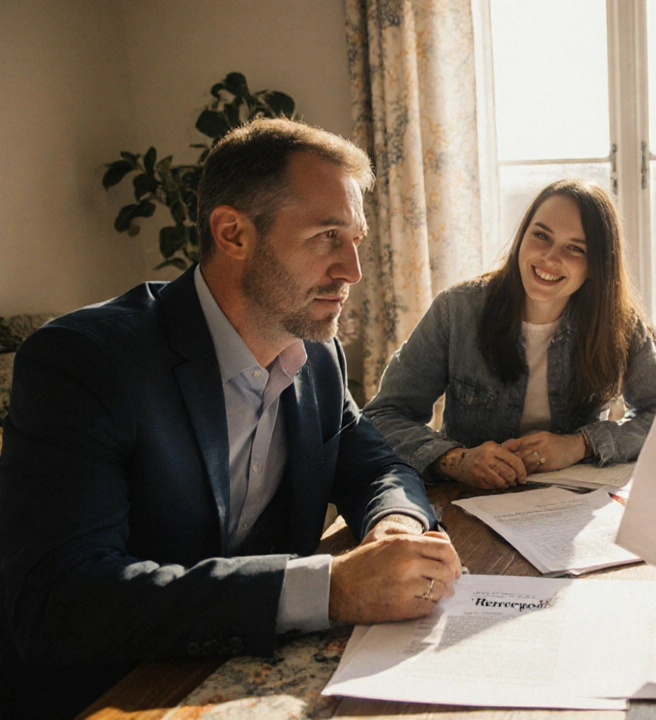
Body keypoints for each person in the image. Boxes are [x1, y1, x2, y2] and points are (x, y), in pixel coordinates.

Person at [0, 118, 462, 719]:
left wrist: (395, 523)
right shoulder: (85, 362)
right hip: (115, 695)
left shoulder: (317, 353)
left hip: (249, 677)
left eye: (356, 239)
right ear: (232, 232)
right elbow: (59, 603)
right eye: (326, 236)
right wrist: (332, 587)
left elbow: (371, 462)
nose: (352, 270)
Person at [365, 178, 656, 490]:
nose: (551, 258)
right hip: (466, 501)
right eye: (541, 236)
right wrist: (457, 460)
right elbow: (383, 416)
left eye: (575, 249)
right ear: (522, 236)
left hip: (571, 512)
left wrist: (580, 444)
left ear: (596, 265)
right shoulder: (456, 310)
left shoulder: (617, 322)